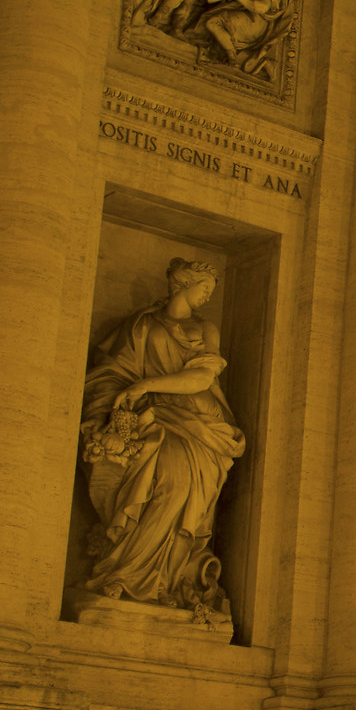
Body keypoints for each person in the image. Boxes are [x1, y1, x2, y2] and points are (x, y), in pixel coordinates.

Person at [79, 257, 245, 617]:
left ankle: (165, 581)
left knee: (183, 487)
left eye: (211, 292)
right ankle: (126, 573)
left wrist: (146, 384)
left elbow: (202, 379)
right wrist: (109, 408)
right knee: (160, 481)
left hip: (199, 422)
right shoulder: (140, 326)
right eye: (203, 289)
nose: (206, 297)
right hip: (152, 419)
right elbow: (111, 370)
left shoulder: (206, 328)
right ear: (182, 284)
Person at [199, 0, 291, 74]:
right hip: (250, 17)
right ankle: (225, 56)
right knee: (216, 19)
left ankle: (232, 60)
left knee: (213, 22)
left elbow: (261, 7)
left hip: (255, 23)